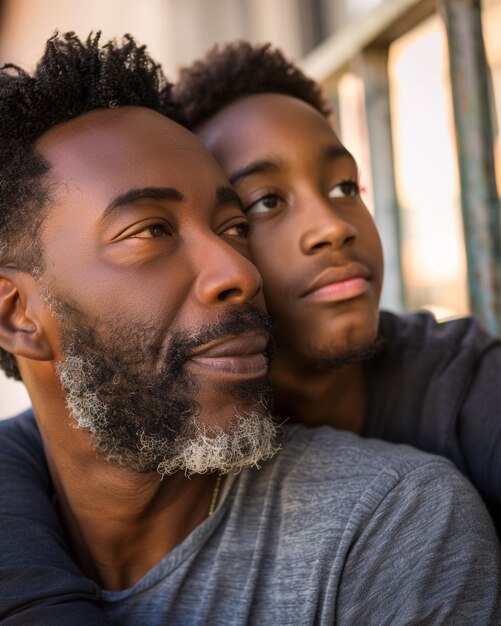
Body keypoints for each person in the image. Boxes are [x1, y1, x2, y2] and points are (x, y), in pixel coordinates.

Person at [0, 33, 500, 625]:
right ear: (17, 315)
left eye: (234, 225)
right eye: (152, 230)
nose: (239, 269)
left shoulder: (394, 519)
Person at [173, 41, 501, 530]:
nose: (332, 226)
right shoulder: (169, 416)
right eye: (264, 202)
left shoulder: (464, 378)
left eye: (344, 187)